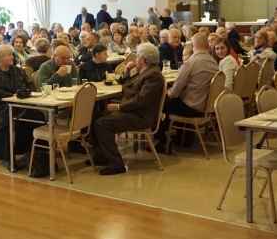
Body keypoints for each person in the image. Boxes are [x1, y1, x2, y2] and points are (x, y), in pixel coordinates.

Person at [91, 43, 166, 175]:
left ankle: (116, 163)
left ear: (143, 59)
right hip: (133, 110)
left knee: (102, 124)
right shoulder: (145, 71)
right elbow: (126, 86)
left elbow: (141, 100)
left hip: (141, 115)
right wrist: (126, 71)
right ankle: (101, 155)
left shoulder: (153, 75)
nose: (135, 59)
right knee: (94, 117)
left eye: (137, 56)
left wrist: (118, 106)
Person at [0, 44, 36, 169]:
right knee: (6, 119)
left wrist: (27, 92)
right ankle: (7, 156)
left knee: (35, 115)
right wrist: (11, 95)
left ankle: (29, 151)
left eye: (12, 55)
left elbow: (30, 85)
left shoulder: (17, 71)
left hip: (20, 104)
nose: (12, 57)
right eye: (9, 55)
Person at [160, 34, 218, 147]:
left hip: (193, 107)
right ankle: (183, 137)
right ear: (207, 46)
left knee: (159, 101)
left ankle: (162, 141)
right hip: (208, 107)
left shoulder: (190, 63)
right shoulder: (213, 62)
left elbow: (174, 93)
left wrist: (168, 92)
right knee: (174, 101)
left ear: (192, 45)